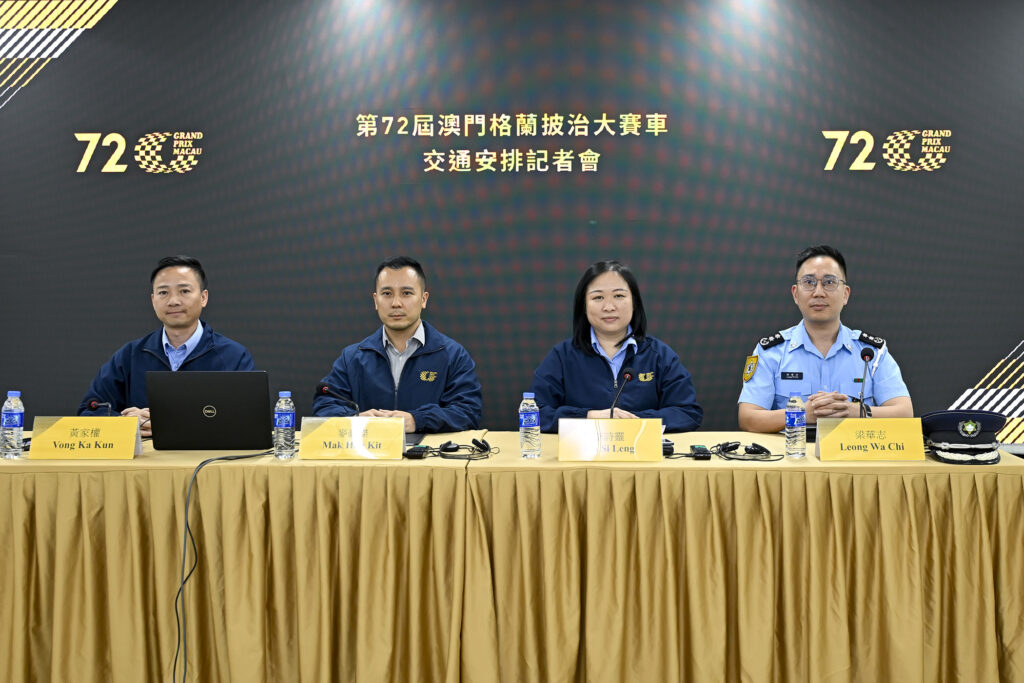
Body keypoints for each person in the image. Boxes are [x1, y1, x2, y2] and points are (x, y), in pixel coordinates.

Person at [738, 245, 913, 433]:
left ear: (845, 294)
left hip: (853, 450)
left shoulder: (871, 353)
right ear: (796, 294)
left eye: (829, 282)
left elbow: (905, 413)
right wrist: (802, 413)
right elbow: (748, 418)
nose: (819, 292)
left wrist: (853, 411)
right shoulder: (771, 352)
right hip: (793, 450)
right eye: (809, 282)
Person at [78, 255, 255, 437]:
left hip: (206, 454)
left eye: (184, 291)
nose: (173, 301)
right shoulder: (129, 356)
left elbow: (252, 420)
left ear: (203, 297)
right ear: (153, 300)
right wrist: (126, 423)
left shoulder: (234, 356)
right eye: (163, 293)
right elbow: (88, 411)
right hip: (145, 455)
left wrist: (175, 423)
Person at [529, 260, 703, 433]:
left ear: (634, 302)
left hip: (642, 449)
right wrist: (588, 417)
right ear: (584, 306)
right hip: (582, 450)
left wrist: (634, 422)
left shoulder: (659, 355)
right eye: (598, 297)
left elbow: (688, 412)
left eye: (619, 296)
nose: (609, 307)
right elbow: (534, 413)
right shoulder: (562, 356)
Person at [313, 256, 483, 433]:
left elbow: (468, 411)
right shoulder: (352, 358)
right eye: (387, 293)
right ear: (375, 300)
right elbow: (324, 405)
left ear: (424, 299)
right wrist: (355, 420)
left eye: (406, 293)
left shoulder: (452, 355)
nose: (396, 303)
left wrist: (417, 420)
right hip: (369, 450)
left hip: (427, 451)